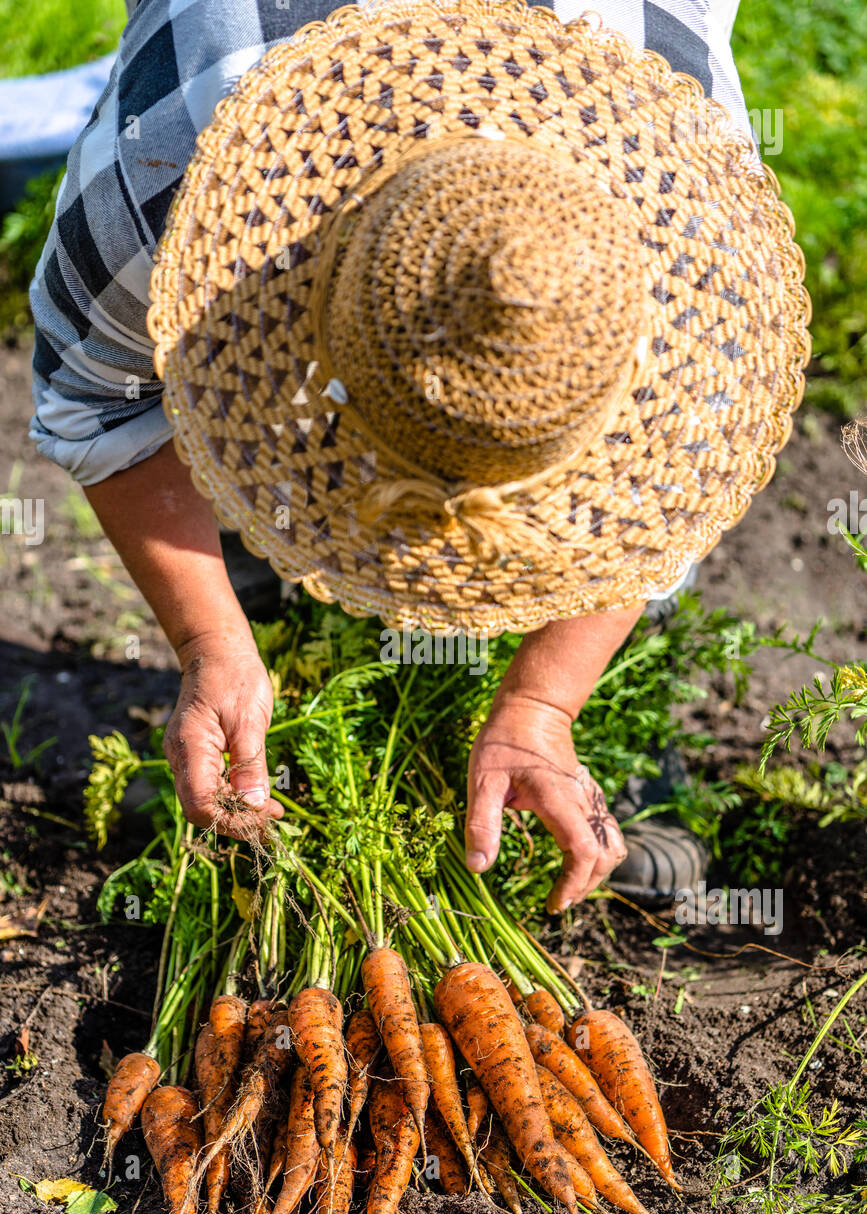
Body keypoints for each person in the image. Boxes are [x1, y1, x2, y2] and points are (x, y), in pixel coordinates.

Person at [28, 0, 809, 913]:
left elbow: (681, 478)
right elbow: (95, 399)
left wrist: (545, 703)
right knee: (241, 470)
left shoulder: (697, 240)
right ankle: (265, 573)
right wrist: (211, 644)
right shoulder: (170, 189)